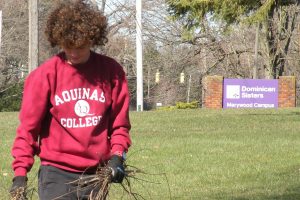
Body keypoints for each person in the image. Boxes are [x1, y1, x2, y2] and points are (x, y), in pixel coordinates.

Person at [10, 0, 131, 199]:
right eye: (68, 46)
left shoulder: (111, 72)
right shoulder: (45, 75)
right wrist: (20, 174)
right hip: (56, 175)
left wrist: (117, 155)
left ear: (92, 39)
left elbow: (119, 126)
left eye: (80, 47)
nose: (74, 52)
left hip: (95, 175)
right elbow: (28, 130)